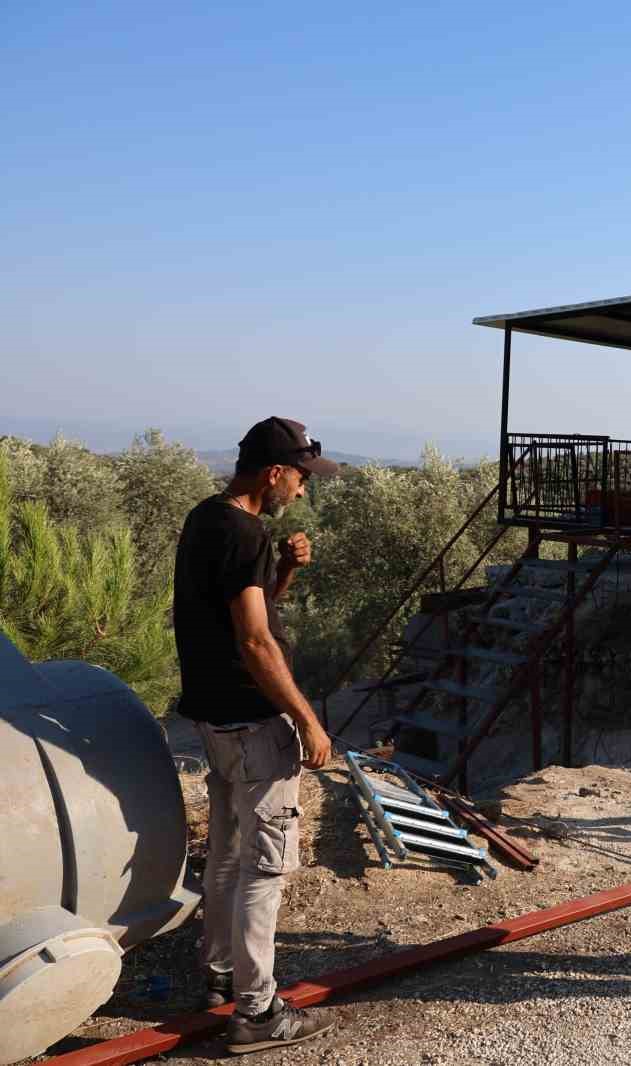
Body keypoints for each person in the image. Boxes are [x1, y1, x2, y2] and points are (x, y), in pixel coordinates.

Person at [172, 417, 337, 1054]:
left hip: (213, 721)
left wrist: (285, 570)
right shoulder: (245, 533)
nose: (301, 492)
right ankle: (259, 1012)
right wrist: (307, 718)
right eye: (298, 479)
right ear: (274, 473)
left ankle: (217, 977)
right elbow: (255, 639)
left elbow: (242, 609)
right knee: (265, 871)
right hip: (254, 723)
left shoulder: (205, 518)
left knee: (228, 854)